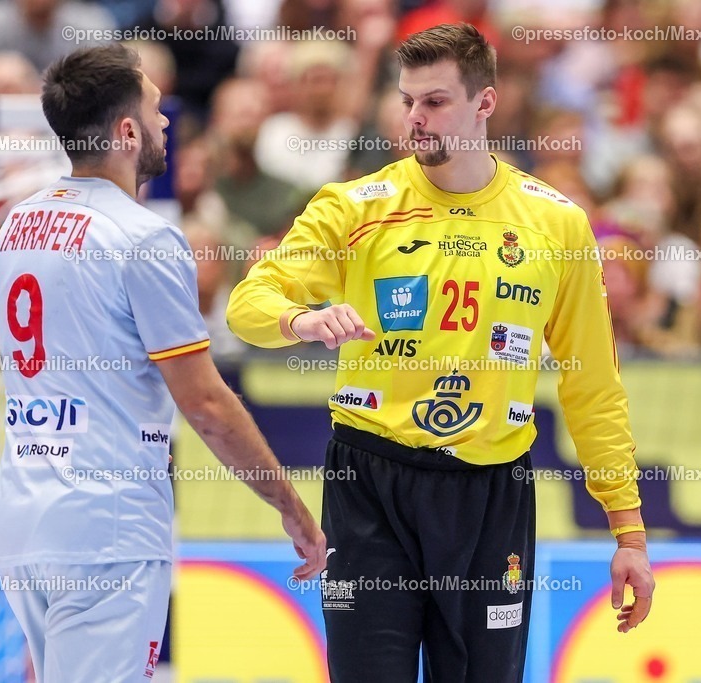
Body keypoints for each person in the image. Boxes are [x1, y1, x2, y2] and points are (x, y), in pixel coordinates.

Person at [226, 23, 654, 682]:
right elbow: (247, 305)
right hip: (370, 481)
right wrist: (301, 319)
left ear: (485, 103)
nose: (415, 119)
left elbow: (592, 384)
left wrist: (629, 532)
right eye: (407, 101)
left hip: (492, 491)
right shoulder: (354, 207)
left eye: (434, 102)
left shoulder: (556, 224)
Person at [0, 45, 324, 683]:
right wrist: (290, 505)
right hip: (106, 523)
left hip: (23, 514)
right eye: (154, 108)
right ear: (126, 131)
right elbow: (205, 403)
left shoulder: (17, 225)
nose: (166, 121)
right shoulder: (143, 236)